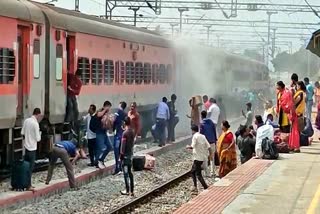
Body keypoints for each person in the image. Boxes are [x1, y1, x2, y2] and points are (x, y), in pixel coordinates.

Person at [21, 108, 42, 191]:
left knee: (26, 167)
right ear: (38, 114)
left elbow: (22, 133)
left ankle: (24, 183)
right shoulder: (35, 124)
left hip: (26, 148)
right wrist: (39, 134)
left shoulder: (26, 121)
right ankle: (28, 185)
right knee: (30, 168)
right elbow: (38, 139)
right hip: (32, 148)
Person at [186, 125, 210, 193]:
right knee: (193, 171)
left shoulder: (195, 136)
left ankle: (204, 186)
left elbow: (192, 146)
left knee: (198, 174)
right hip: (201, 157)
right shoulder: (203, 136)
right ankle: (195, 186)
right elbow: (208, 146)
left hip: (197, 158)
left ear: (193, 130)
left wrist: (188, 147)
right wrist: (210, 154)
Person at [288, 81, 306, 153]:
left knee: (295, 131)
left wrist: (291, 96)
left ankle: (296, 146)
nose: (296, 87)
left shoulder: (300, 93)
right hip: (296, 114)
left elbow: (295, 102)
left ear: (300, 86)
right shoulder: (301, 93)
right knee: (293, 130)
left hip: (297, 114)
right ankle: (292, 145)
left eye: (297, 86)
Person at [95, 101, 113, 169]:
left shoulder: (108, 113)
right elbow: (99, 115)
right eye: (109, 107)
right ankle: (96, 162)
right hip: (99, 133)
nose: (109, 109)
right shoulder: (100, 110)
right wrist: (105, 109)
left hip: (104, 133)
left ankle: (101, 159)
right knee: (100, 148)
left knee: (109, 146)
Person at [120, 117, 135, 196]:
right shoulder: (132, 132)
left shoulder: (125, 133)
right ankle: (132, 190)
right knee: (130, 172)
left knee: (126, 173)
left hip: (125, 156)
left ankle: (127, 190)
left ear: (124, 123)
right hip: (130, 155)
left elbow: (123, 146)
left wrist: (121, 156)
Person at [200, 110, 217, 177]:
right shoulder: (211, 122)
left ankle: (207, 173)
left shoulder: (202, 124)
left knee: (205, 157)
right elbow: (214, 131)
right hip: (212, 141)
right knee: (212, 157)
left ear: (201, 116)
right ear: (206, 115)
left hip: (205, 143)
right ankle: (212, 172)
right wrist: (215, 140)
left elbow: (201, 134)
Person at [113, 101, 127, 175]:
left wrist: (112, 129)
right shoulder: (126, 114)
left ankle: (117, 169)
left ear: (121, 106)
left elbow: (114, 122)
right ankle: (121, 168)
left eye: (119, 104)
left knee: (116, 152)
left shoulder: (118, 112)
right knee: (122, 152)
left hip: (118, 135)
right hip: (123, 136)